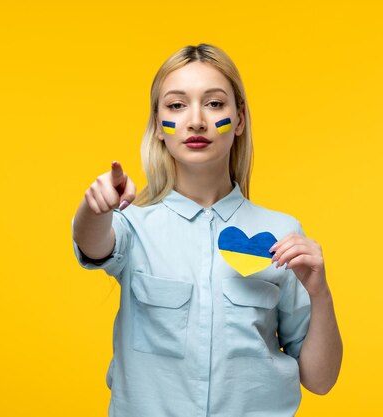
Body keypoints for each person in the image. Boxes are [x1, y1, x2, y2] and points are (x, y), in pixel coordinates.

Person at [71, 43, 342, 416]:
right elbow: (93, 242)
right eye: (176, 105)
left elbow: (320, 380)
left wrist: (320, 292)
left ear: (240, 118)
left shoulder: (282, 233)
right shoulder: (132, 224)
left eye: (214, 103)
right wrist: (94, 206)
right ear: (158, 125)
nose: (196, 120)